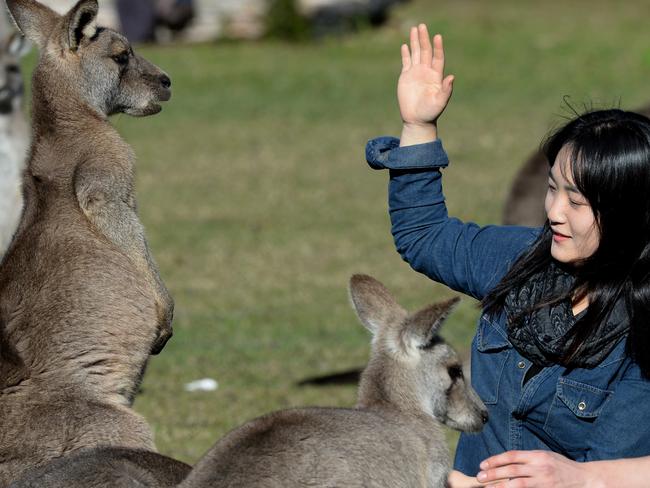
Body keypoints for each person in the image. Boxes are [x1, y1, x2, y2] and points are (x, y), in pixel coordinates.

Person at [365, 23, 650, 488]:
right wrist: (419, 125)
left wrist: (580, 477)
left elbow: (606, 467)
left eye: (577, 202)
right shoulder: (519, 260)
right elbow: (423, 235)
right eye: (553, 189)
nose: (554, 212)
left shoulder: (641, 331)